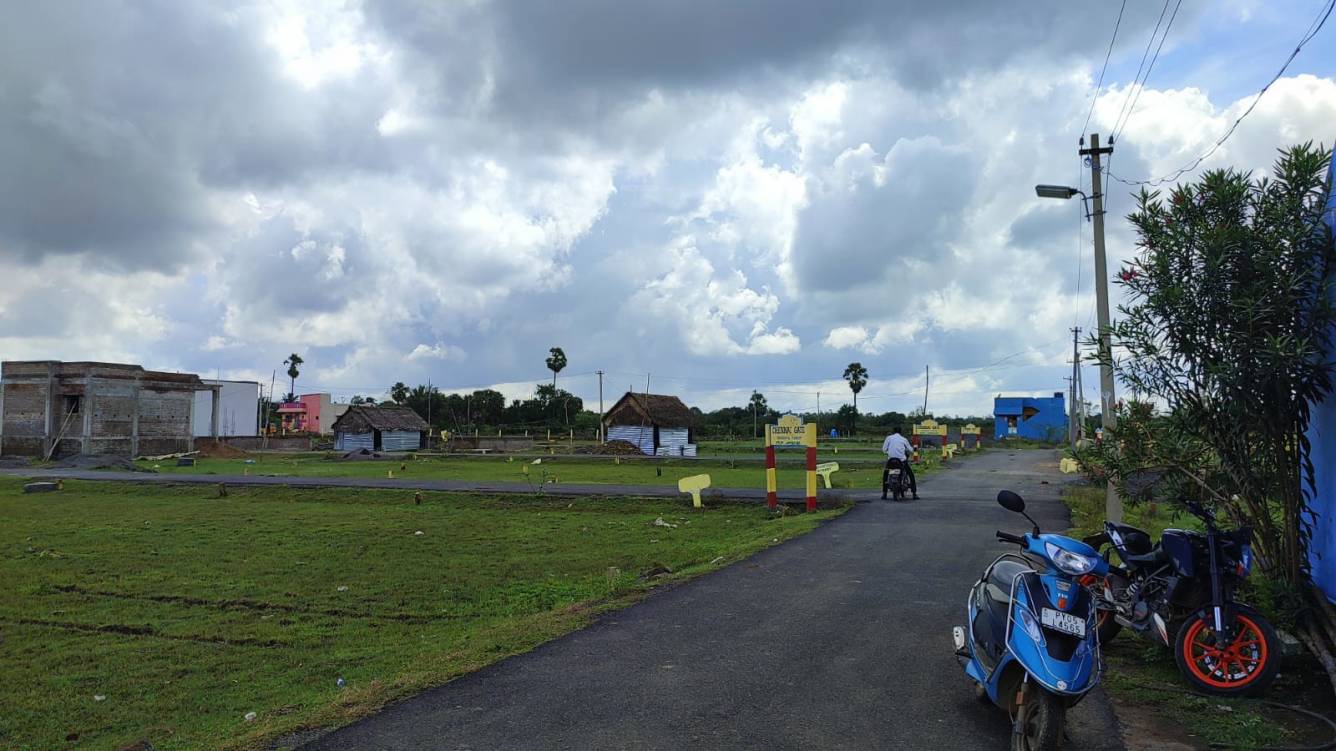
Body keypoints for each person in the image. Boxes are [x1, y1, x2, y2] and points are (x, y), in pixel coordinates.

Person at [881, 425, 918, 500]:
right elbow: (911, 450)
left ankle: (884, 493)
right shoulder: (903, 439)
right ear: (901, 432)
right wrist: (915, 449)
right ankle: (914, 494)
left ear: (893, 432)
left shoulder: (889, 438)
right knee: (911, 474)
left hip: (891, 461)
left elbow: (884, 449)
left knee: (885, 474)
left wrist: (889, 452)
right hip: (901, 461)